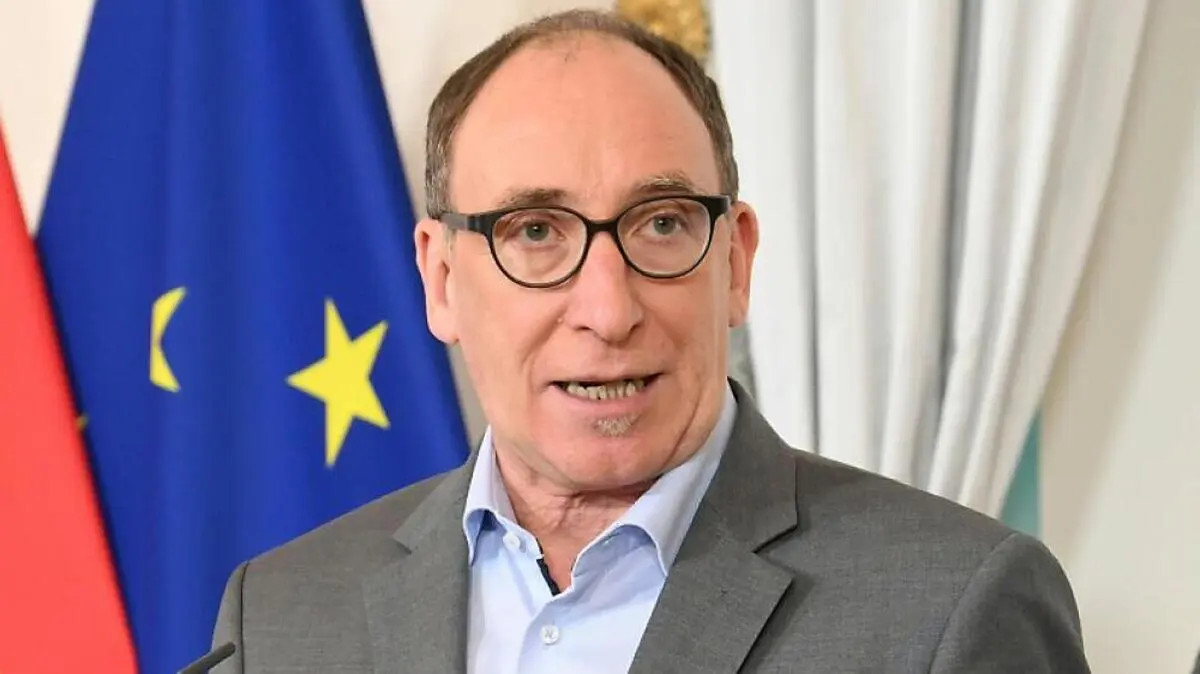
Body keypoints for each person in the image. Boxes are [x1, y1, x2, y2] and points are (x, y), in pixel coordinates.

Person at [211, 9, 1089, 673]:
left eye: (662, 223)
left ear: (735, 263)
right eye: (536, 232)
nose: (608, 309)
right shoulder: (281, 618)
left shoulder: (952, 609)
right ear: (442, 279)